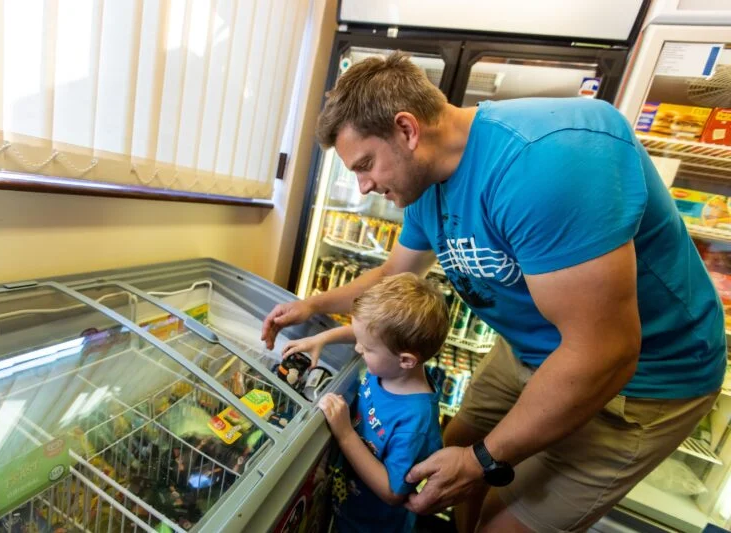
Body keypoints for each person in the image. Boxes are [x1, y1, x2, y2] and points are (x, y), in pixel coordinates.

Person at [262, 52, 727, 532]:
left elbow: (604, 351)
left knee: (500, 518)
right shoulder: (427, 184)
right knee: (450, 454)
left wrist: (485, 458)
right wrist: (311, 306)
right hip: (530, 347)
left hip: (647, 379)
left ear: (407, 130)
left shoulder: (544, 164)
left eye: (365, 165)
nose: (362, 187)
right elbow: (391, 276)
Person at [282, 273, 449, 533]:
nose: (358, 349)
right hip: (345, 503)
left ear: (406, 360)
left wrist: (346, 435)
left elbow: (393, 492)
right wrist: (321, 339)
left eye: (367, 349)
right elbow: (367, 334)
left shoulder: (415, 422)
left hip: (371, 526)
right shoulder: (391, 367)